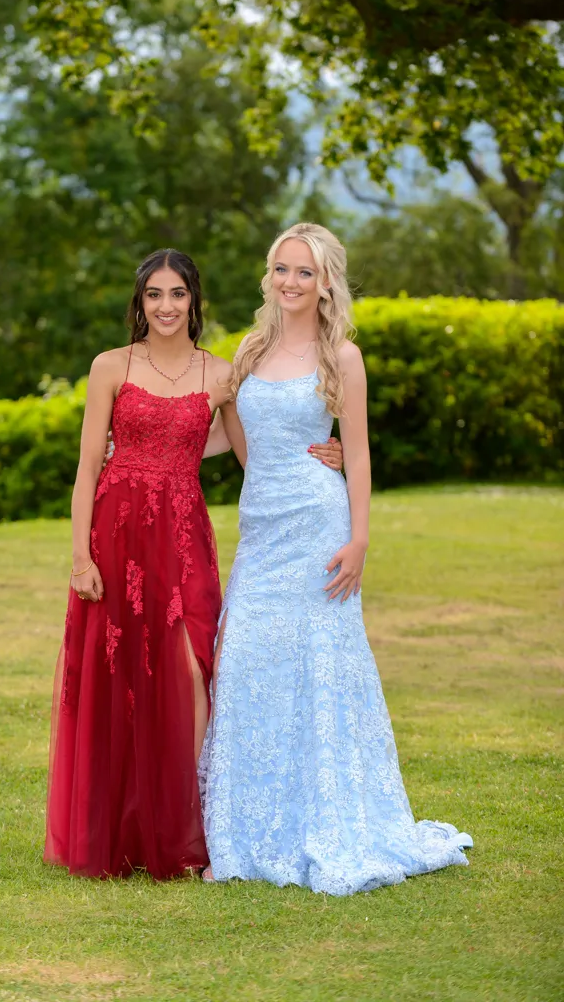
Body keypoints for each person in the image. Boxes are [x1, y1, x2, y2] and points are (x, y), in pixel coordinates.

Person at [44, 247, 343, 881]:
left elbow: (253, 453)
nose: (166, 306)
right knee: (119, 673)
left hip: (182, 534)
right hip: (116, 530)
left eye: (177, 294)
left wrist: (326, 454)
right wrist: (79, 556)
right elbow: (86, 467)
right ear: (139, 303)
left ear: (194, 302)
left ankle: (190, 825)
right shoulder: (109, 367)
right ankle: (120, 831)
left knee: (191, 667)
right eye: (153, 295)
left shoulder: (220, 374)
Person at [201, 223, 472, 894]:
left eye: (304, 272)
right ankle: (245, 830)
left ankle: (325, 821)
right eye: (281, 270)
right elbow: (236, 431)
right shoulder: (250, 347)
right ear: (268, 276)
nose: (290, 282)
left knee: (317, 668)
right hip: (261, 530)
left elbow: (359, 450)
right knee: (244, 663)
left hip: (321, 528)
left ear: (326, 283)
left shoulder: (341, 355)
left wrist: (358, 539)